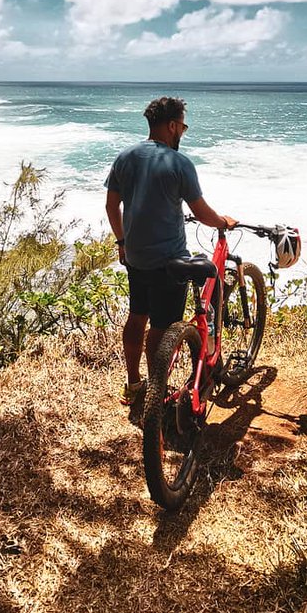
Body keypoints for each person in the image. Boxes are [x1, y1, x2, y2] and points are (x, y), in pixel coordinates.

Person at [105, 96, 236, 407]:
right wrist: (224, 221)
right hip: (168, 261)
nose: (183, 133)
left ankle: (134, 383)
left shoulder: (125, 157)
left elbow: (112, 206)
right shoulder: (179, 164)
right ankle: (156, 391)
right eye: (183, 127)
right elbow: (202, 213)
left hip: (136, 256)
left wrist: (123, 242)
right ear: (173, 125)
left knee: (138, 316)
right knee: (162, 329)